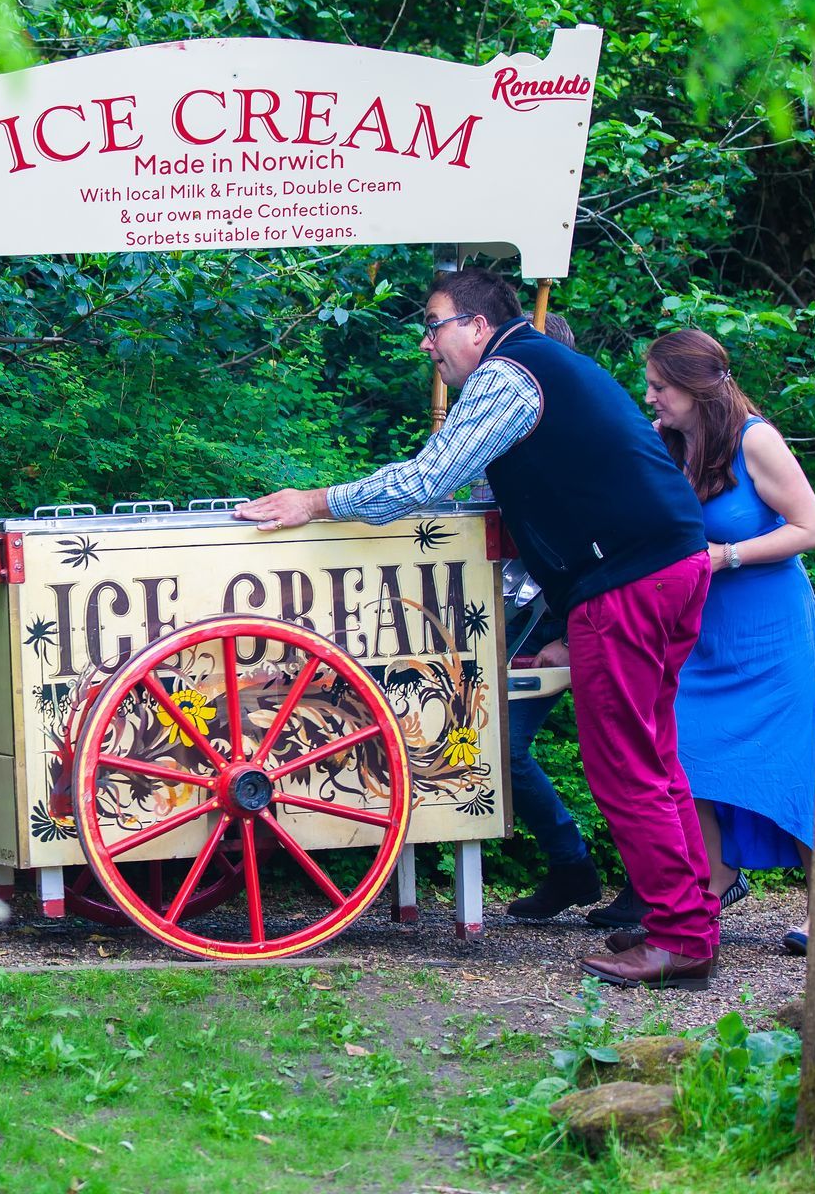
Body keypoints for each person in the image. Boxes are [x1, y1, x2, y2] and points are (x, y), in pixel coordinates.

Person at [237, 268, 721, 989]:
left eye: (434, 324)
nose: (427, 343)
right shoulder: (542, 370)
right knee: (653, 752)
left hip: (625, 580)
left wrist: (316, 501)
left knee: (624, 762)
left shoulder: (509, 375)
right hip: (667, 564)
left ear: (477, 325)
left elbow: (427, 481)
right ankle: (686, 918)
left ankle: (680, 937)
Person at [642, 329, 815, 955]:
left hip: (771, 633)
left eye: (661, 386)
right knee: (687, 753)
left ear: (696, 388)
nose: (650, 396)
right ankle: (712, 885)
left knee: (792, 764)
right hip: (701, 630)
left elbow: (810, 526)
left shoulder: (756, 439)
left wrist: (729, 555)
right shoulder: (670, 444)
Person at [488, 314, 630, 925]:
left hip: (573, 610)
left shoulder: (581, 437)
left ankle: (651, 884)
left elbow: (602, 539)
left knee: (623, 752)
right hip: (512, 611)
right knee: (499, 747)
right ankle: (573, 865)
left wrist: (569, 640)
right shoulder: (494, 419)